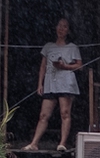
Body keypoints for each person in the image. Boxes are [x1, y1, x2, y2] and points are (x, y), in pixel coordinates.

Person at [25, 18, 83, 151]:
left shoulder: (72, 47)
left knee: (65, 112)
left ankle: (62, 143)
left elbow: (80, 66)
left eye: (65, 27)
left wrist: (65, 66)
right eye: (59, 26)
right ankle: (34, 143)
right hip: (51, 82)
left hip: (66, 81)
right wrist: (40, 83)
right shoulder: (48, 46)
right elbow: (43, 66)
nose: (61, 29)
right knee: (44, 115)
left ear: (68, 30)